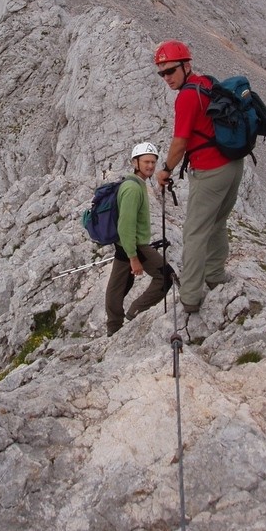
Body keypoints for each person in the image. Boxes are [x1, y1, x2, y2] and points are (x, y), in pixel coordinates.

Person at [154, 40, 243, 314]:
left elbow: (180, 143)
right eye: (162, 73)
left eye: (170, 71)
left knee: (194, 233)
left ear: (186, 65)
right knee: (217, 221)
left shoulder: (187, 97)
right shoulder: (205, 83)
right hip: (233, 165)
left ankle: (190, 297)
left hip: (210, 171)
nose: (167, 78)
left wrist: (165, 169)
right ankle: (215, 275)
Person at [105, 142, 167, 336]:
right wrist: (133, 257)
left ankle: (114, 327)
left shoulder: (135, 184)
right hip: (134, 246)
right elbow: (126, 225)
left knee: (119, 285)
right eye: (146, 161)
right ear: (135, 162)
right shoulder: (132, 189)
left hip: (128, 245)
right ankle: (134, 312)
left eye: (153, 162)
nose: (150, 166)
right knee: (165, 277)